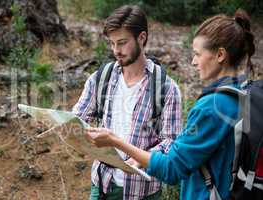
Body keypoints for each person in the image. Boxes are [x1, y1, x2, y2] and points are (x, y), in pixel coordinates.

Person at [85, 9, 256, 200]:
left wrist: (115, 141)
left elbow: (172, 168)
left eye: (198, 54)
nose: (193, 61)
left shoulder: (212, 107)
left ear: (220, 55)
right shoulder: (247, 93)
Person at [72, 4, 182, 200]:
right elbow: (77, 118)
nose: (116, 50)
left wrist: (140, 160)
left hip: (143, 191)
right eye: (112, 43)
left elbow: (171, 142)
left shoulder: (166, 88)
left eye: (122, 43)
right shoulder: (101, 78)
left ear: (142, 38)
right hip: (102, 184)